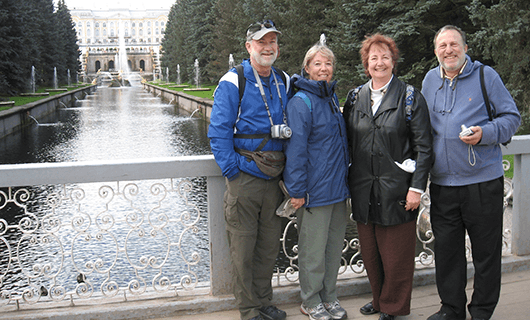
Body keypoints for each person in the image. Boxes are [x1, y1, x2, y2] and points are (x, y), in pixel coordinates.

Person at [421, 25, 520, 320]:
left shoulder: (485, 76)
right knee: (447, 253)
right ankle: (451, 309)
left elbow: (511, 117)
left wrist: (485, 133)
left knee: (486, 254)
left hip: (483, 182)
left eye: (453, 44)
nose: (448, 50)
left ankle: (481, 312)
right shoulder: (428, 80)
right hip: (442, 184)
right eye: (442, 46)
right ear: (436, 51)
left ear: (465, 47)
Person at [343, 33, 433, 320]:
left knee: (396, 255)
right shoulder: (356, 97)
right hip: (363, 188)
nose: (379, 63)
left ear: (393, 61)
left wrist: (416, 189)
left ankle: (393, 307)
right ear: (366, 64)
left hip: (397, 189)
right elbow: (346, 142)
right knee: (371, 252)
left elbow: (424, 148)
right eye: (373, 58)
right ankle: (379, 299)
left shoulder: (409, 97)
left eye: (385, 57)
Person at [208, 20, 292, 320]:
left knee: (268, 248)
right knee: (243, 250)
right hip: (244, 179)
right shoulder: (234, 81)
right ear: (249, 46)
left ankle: (265, 301)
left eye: (272, 42)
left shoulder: (283, 80)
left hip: (274, 179)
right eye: (261, 42)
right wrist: (233, 172)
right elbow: (218, 133)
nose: (268, 47)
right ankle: (249, 310)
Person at [283, 40, 350, 320]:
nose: (324, 69)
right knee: (313, 252)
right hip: (313, 193)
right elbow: (295, 150)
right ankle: (310, 300)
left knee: (334, 248)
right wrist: (296, 191)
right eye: (318, 64)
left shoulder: (331, 98)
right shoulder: (301, 102)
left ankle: (329, 296)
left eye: (328, 64)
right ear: (307, 68)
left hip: (337, 190)